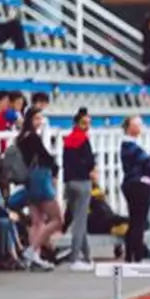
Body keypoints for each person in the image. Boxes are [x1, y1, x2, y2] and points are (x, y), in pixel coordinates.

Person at [16, 107, 59, 271]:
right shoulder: (32, 138)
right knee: (57, 219)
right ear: (30, 120)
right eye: (36, 119)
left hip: (30, 181)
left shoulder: (21, 138)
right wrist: (55, 169)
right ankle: (32, 250)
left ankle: (35, 257)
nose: (39, 122)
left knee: (37, 221)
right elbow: (46, 157)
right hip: (40, 180)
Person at [61, 108, 96, 271]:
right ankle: (74, 258)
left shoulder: (68, 140)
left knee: (78, 219)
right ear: (77, 123)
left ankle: (87, 256)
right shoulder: (83, 140)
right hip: (82, 182)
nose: (87, 126)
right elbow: (90, 162)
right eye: (84, 123)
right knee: (80, 223)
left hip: (69, 182)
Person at [119, 116, 150, 262]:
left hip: (132, 184)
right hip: (138, 185)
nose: (141, 127)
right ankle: (137, 255)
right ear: (130, 127)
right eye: (138, 124)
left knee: (134, 220)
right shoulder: (131, 147)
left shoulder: (129, 146)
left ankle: (130, 254)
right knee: (139, 221)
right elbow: (148, 164)